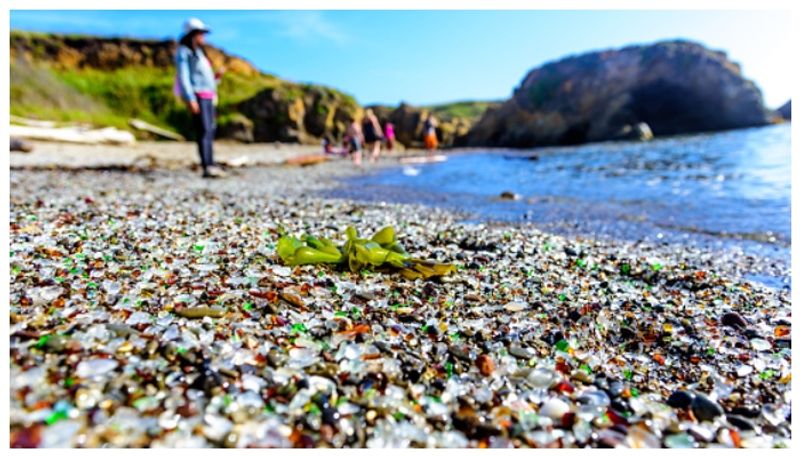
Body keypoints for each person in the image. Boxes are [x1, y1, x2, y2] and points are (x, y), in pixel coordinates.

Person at [175, 17, 227, 178]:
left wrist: (216, 77)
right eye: (201, 33)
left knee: (210, 129)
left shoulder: (200, 53)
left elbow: (207, 80)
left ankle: (211, 162)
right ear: (193, 34)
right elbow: (184, 76)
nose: (203, 37)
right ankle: (207, 165)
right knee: (203, 130)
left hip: (209, 95)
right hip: (198, 96)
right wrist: (190, 98)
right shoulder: (184, 52)